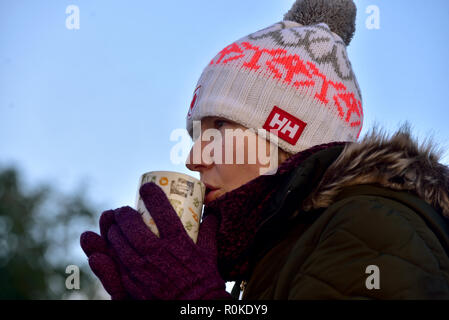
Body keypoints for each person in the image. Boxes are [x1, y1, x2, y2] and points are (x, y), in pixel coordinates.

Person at [80, 0, 449, 299]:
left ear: (288, 136)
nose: (194, 158)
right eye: (195, 136)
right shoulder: (276, 251)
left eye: (220, 127)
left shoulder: (372, 225)